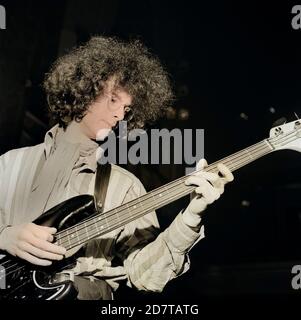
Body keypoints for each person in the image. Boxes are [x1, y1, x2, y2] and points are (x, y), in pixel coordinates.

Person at [0, 36, 233, 300]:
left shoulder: (125, 186)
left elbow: (145, 276)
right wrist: (5, 236)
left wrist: (191, 216)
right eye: (113, 101)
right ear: (83, 89)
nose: (120, 116)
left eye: (127, 108)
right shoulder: (10, 163)